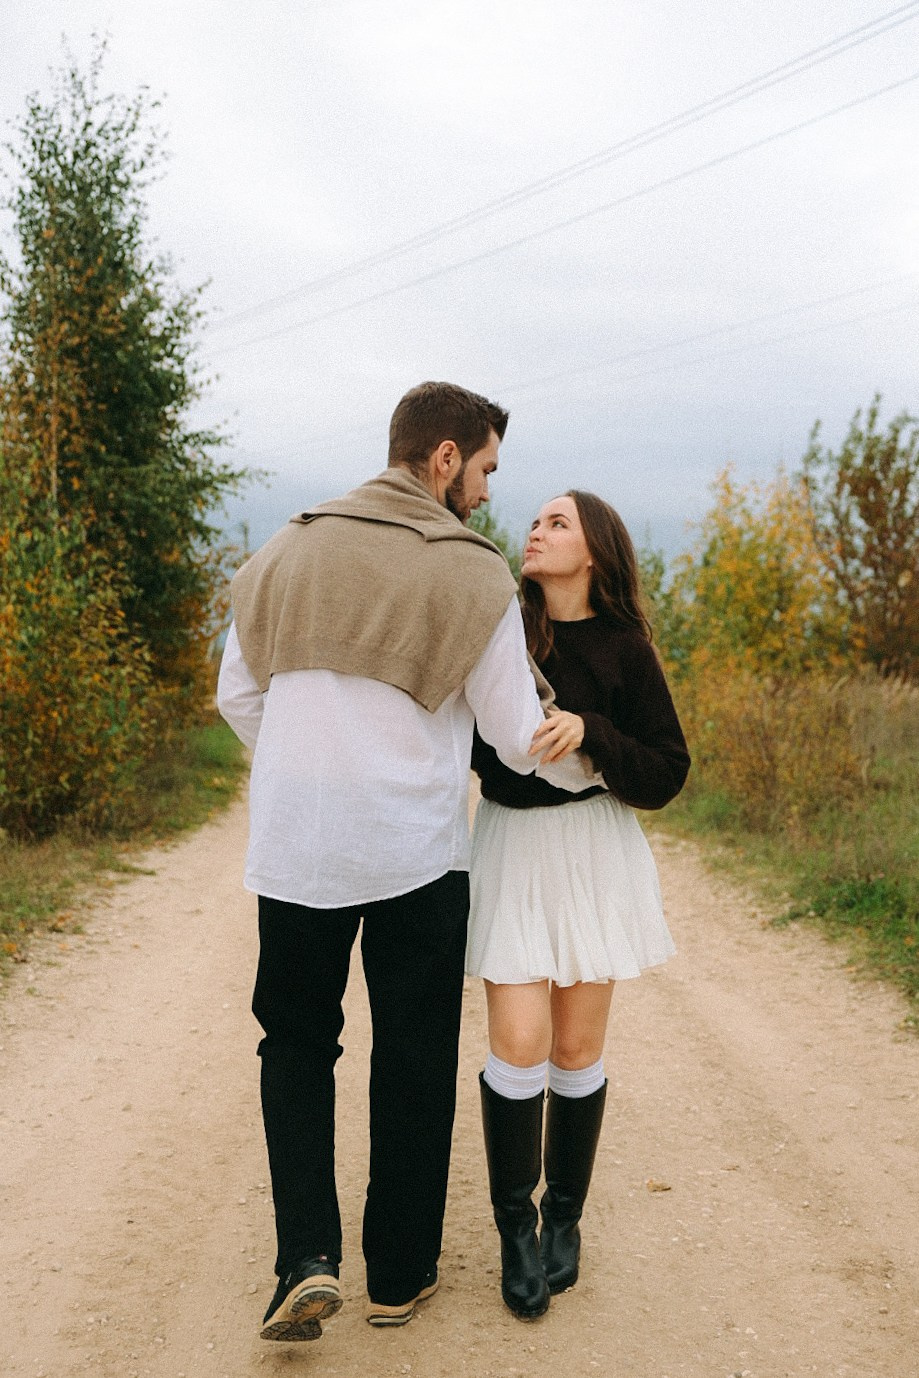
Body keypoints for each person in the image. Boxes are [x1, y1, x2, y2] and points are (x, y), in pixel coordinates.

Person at [216, 383, 597, 1344]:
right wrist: (601, 754)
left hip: (295, 849)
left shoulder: (282, 551)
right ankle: (397, 1275)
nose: (483, 492)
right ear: (441, 459)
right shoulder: (470, 573)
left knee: (295, 1046)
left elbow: (237, 698)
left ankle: (304, 1258)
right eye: (483, 470)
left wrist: (313, 759)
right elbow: (516, 737)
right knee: (414, 1056)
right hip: (413, 856)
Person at [466, 490, 690, 1320]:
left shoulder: (626, 647)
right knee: (517, 1044)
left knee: (574, 1046)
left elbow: (666, 770)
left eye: (557, 522)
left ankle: (564, 1219)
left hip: (594, 849)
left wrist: (591, 730)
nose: (535, 528)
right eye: (534, 519)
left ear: (593, 549)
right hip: (514, 847)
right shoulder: (503, 634)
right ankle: (514, 1234)